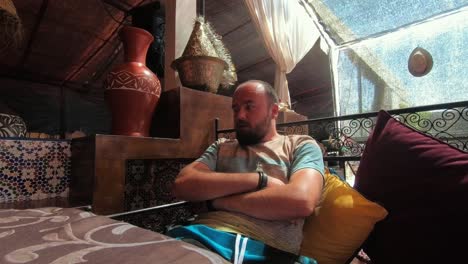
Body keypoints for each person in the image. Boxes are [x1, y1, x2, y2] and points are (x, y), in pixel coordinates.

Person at [168, 80, 325, 264]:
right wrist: (259, 180)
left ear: (273, 111)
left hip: (261, 247)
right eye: (235, 109)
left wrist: (218, 202)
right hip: (199, 235)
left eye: (249, 107)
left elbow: (301, 201)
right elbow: (182, 185)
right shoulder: (221, 147)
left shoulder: (300, 145)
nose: (240, 115)